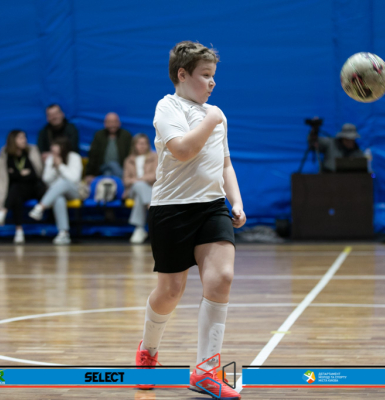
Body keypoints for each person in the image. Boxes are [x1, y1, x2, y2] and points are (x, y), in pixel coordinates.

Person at [135, 41, 245, 400]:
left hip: (212, 207)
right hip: (172, 209)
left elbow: (225, 163)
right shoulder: (168, 107)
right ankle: (148, 350)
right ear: (182, 75)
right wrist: (211, 120)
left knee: (222, 278)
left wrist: (236, 201)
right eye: (205, 75)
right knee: (170, 291)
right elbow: (182, 150)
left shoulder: (217, 114)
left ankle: (206, 371)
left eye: (214, 76)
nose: (212, 82)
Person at [0, 130, 45, 244]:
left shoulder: (31, 151)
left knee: (16, 187)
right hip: (18, 190)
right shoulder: (6, 154)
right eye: (21, 138)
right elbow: (8, 176)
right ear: (13, 140)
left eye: (25, 137)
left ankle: (2, 212)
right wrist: (22, 174)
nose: (24, 140)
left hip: (34, 188)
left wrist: (17, 174)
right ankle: (19, 231)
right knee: (16, 195)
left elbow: (35, 174)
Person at [28, 137, 82, 245]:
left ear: (63, 147)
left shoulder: (74, 157)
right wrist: (54, 167)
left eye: (55, 146)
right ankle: (63, 233)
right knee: (58, 198)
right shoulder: (50, 159)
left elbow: (74, 179)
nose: (52, 148)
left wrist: (60, 166)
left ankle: (40, 207)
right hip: (55, 192)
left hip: (74, 191)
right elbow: (46, 179)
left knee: (64, 181)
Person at [122, 133, 158, 244]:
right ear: (134, 145)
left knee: (140, 194)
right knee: (139, 186)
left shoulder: (155, 157)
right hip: (132, 190)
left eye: (144, 143)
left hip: (150, 188)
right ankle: (152, 210)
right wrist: (138, 181)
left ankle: (139, 229)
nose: (142, 146)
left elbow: (156, 175)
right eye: (139, 143)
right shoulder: (129, 160)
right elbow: (126, 180)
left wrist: (139, 179)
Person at [85, 112, 132, 182]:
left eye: (114, 122)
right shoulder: (99, 135)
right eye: (109, 122)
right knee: (112, 166)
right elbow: (93, 156)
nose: (112, 125)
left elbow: (130, 156)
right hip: (102, 168)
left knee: (108, 174)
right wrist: (89, 174)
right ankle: (121, 182)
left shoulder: (126, 135)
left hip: (120, 169)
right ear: (105, 124)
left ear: (119, 123)